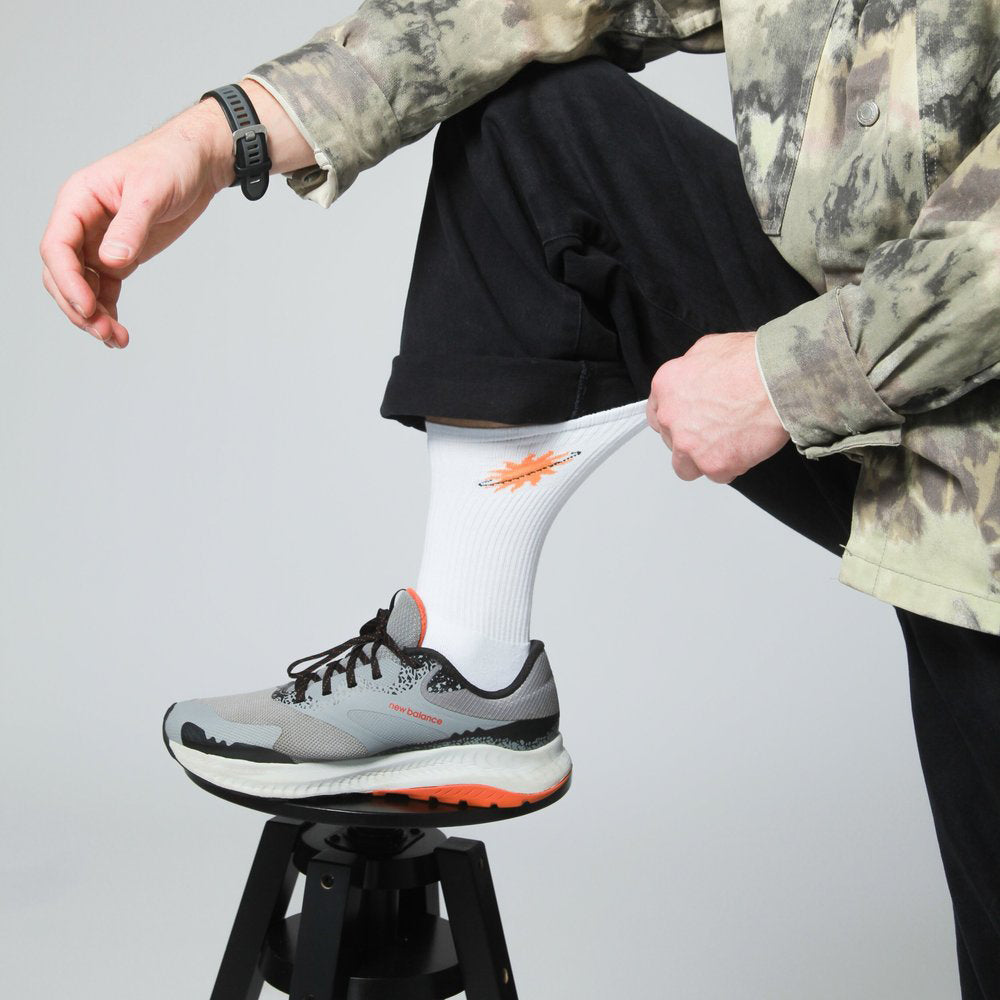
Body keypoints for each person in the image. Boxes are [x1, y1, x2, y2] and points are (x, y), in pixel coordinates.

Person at [39, 0, 1000, 994]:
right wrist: (219, 133)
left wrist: (791, 376)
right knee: (533, 124)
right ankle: (467, 660)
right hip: (901, 378)